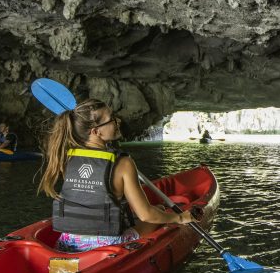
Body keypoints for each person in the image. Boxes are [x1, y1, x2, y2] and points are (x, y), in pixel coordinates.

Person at [38, 99, 197, 252]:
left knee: (148, 212)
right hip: (107, 245)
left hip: (68, 241)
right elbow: (146, 215)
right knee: (160, 211)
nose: (117, 121)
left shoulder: (66, 158)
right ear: (96, 131)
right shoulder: (124, 163)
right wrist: (180, 218)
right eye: (111, 119)